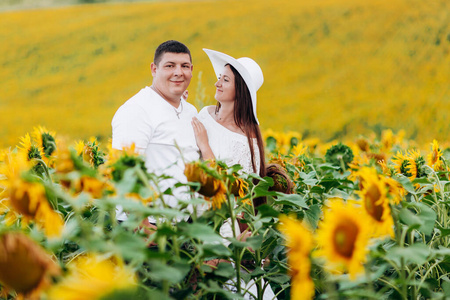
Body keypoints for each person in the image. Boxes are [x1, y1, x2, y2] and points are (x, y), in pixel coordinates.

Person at [191, 49, 276, 300]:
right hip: (190, 215)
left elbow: (236, 195)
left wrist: (206, 147)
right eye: (219, 77)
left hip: (221, 227)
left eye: (225, 80)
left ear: (241, 91)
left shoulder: (247, 142)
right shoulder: (203, 114)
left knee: (238, 291)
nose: (217, 82)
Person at [111, 40, 199, 220]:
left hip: (182, 225)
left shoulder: (190, 111)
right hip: (146, 226)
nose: (178, 72)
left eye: (185, 66)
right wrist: (140, 221)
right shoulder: (137, 109)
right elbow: (124, 169)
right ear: (154, 69)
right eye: (170, 65)